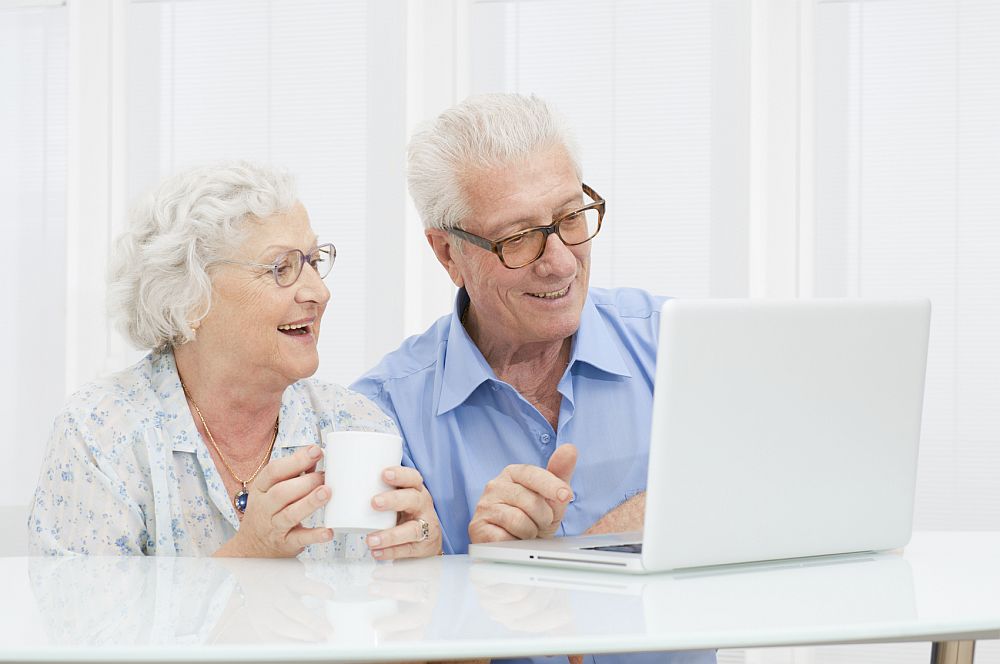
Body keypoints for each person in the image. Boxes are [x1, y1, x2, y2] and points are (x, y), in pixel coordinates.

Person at [352, 95, 715, 664]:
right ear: (448, 252)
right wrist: (482, 582)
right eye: (518, 237)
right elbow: (383, 638)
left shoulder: (682, 346)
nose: (562, 262)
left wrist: (594, 551)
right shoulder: (378, 417)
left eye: (571, 218)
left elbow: (800, 503)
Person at [29, 161, 442, 559]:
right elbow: (81, 623)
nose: (318, 291)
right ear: (189, 297)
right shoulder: (101, 432)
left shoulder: (355, 424)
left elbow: (387, 618)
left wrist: (424, 565)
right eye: (282, 267)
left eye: (314, 262)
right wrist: (248, 557)